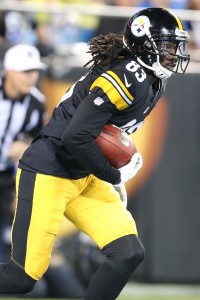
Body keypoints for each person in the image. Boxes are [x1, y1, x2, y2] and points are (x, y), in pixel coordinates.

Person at [0, 7, 190, 299]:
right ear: (143, 45)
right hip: (50, 171)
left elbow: (105, 132)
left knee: (127, 252)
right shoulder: (127, 76)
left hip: (84, 173)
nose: (173, 54)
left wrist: (109, 169)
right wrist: (113, 174)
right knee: (21, 279)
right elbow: (75, 135)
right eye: (166, 46)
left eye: (175, 46)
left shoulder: (154, 79)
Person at [0, 44, 46, 261]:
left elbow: (39, 140)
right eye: (25, 71)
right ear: (9, 71)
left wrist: (25, 146)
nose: (32, 77)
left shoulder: (36, 103)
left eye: (34, 71)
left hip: (4, 177)